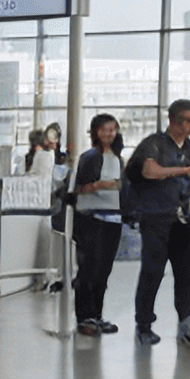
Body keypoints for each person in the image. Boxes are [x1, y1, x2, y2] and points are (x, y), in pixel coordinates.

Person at [130, 98, 190, 346]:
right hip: (156, 219)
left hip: (184, 221)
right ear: (172, 119)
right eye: (186, 120)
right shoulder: (154, 144)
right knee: (152, 272)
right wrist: (182, 171)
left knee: (185, 273)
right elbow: (149, 171)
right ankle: (143, 324)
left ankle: (188, 323)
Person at [71, 113, 124, 336]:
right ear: (95, 132)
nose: (108, 134)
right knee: (88, 269)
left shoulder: (119, 159)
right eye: (103, 130)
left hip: (113, 217)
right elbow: (78, 188)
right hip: (90, 218)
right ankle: (85, 317)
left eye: (112, 129)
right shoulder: (89, 157)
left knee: (104, 270)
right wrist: (97, 185)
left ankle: (97, 314)